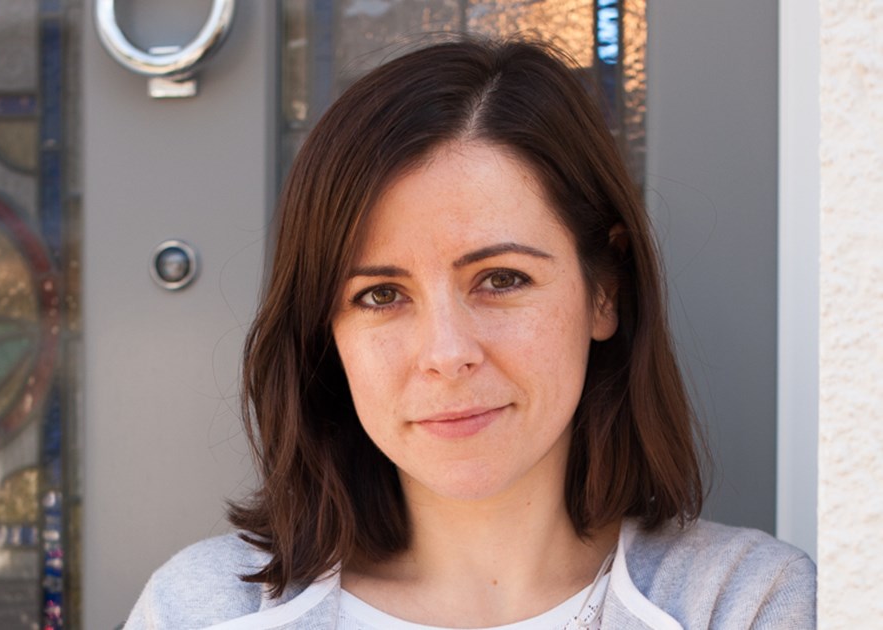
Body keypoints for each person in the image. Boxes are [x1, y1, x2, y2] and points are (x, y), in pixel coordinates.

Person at [123, 37, 816, 629]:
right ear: (324, 334)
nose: (447, 353)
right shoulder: (207, 610)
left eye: (502, 279)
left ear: (605, 291)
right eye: (381, 295)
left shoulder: (739, 603)